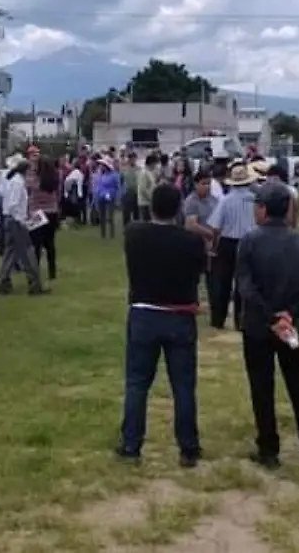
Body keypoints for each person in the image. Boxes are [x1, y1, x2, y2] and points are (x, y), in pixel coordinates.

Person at [235, 183, 299, 468]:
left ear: (262, 208)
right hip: (292, 327)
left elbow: (246, 289)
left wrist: (271, 317)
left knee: (262, 388)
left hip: (258, 327)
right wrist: (290, 314)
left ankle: (268, 450)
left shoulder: (249, 241)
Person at [117, 184, 207, 467]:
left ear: (152, 207)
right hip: (180, 317)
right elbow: (199, 273)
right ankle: (188, 448)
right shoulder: (192, 242)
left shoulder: (134, 235)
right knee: (182, 386)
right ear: (179, 208)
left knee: (137, 384)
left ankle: (131, 446)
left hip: (144, 314)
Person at [206, 163, 259, 331]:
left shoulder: (225, 201)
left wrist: (214, 246)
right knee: (244, 283)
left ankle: (218, 319)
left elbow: (215, 227)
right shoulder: (255, 200)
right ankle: (241, 320)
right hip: (249, 242)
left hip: (227, 242)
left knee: (222, 282)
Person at [0, 157, 46, 295]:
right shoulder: (18, 183)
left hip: (10, 220)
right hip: (16, 222)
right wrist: (21, 220)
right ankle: (34, 284)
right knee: (28, 253)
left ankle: (4, 283)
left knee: (10, 253)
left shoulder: (12, 180)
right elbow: (14, 204)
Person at [182, 170, 219, 297]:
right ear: (196, 184)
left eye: (209, 184)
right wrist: (209, 234)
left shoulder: (214, 200)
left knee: (213, 278)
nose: (207, 187)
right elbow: (190, 224)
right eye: (203, 184)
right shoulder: (191, 201)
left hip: (212, 245)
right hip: (197, 244)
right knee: (194, 277)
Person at [28, 156, 62, 280]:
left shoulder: (35, 180)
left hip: (36, 212)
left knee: (36, 245)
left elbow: (28, 187)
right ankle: (52, 272)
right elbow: (58, 195)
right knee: (50, 243)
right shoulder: (54, 179)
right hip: (52, 211)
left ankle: (35, 272)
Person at [92, 158, 121, 239]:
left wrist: (117, 198)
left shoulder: (114, 175)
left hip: (110, 197)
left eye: (102, 165)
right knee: (102, 217)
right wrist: (96, 196)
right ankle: (103, 235)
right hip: (100, 197)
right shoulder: (100, 175)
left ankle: (111, 235)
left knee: (110, 217)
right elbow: (97, 187)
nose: (101, 167)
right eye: (101, 165)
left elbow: (118, 187)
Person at [137, 154, 158, 221]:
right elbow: (143, 189)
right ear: (151, 163)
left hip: (148, 202)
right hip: (144, 203)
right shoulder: (144, 173)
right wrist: (151, 198)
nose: (155, 166)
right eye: (155, 164)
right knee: (146, 222)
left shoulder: (150, 172)